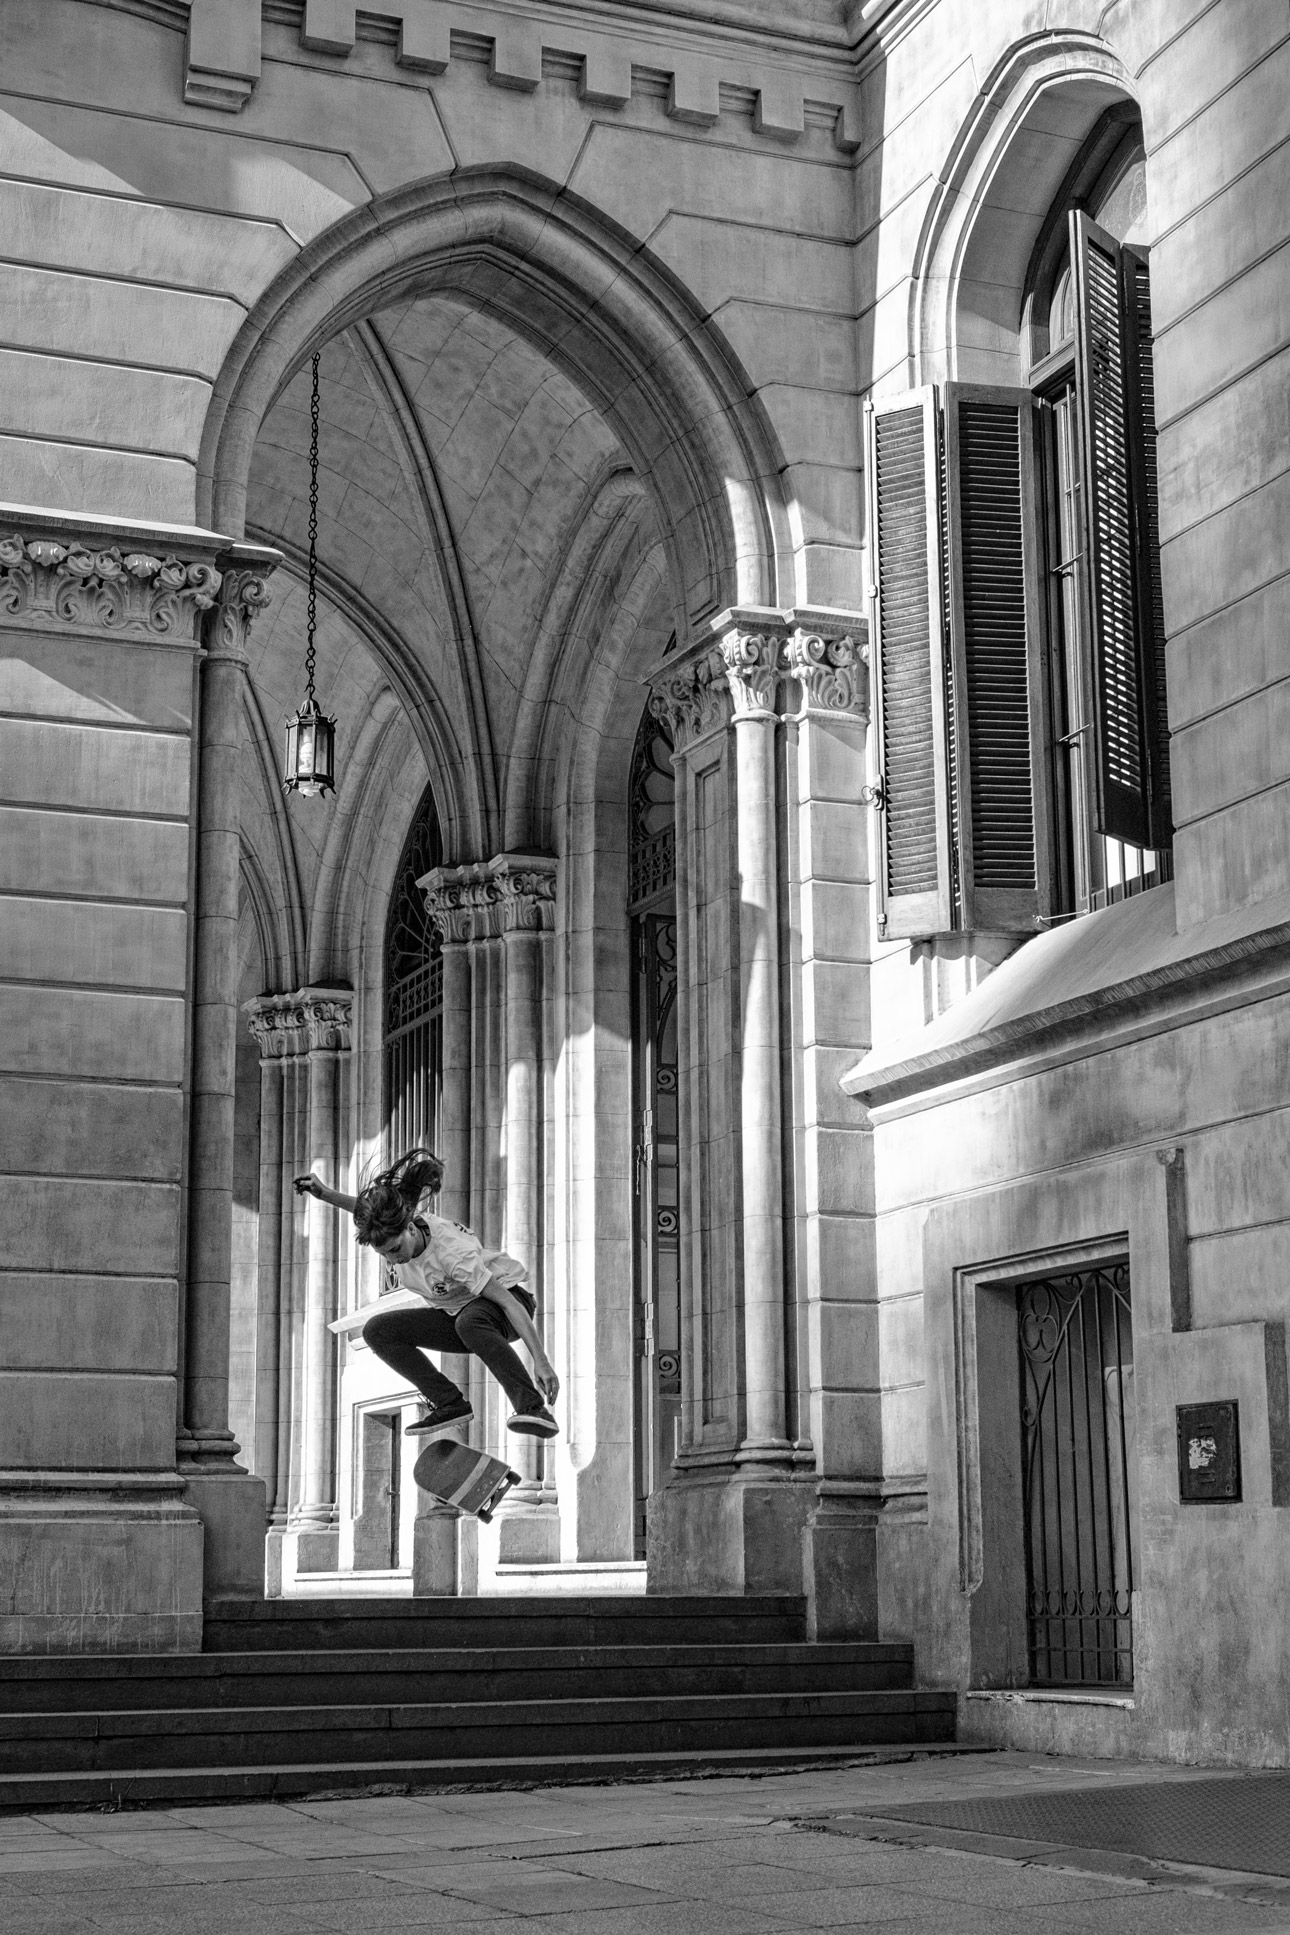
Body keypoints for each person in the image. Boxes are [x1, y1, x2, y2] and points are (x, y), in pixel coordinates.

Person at [293, 1149, 559, 1439]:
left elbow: (508, 1302)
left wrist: (541, 1362)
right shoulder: (396, 1223)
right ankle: (449, 1404)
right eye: (385, 1256)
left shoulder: (452, 1255)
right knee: (378, 1330)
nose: (394, 1260)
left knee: (470, 1321)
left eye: (395, 1250)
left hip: (508, 1303)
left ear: (409, 1229)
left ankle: (532, 1408)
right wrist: (325, 1194)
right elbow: (369, 1210)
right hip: (460, 1316)